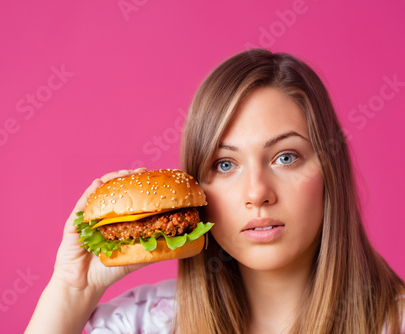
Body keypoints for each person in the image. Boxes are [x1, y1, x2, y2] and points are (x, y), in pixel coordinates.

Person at [25, 49, 405, 334]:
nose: (257, 193)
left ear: (329, 170)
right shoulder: (145, 323)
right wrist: (72, 289)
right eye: (225, 164)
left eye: (286, 157)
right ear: (198, 191)